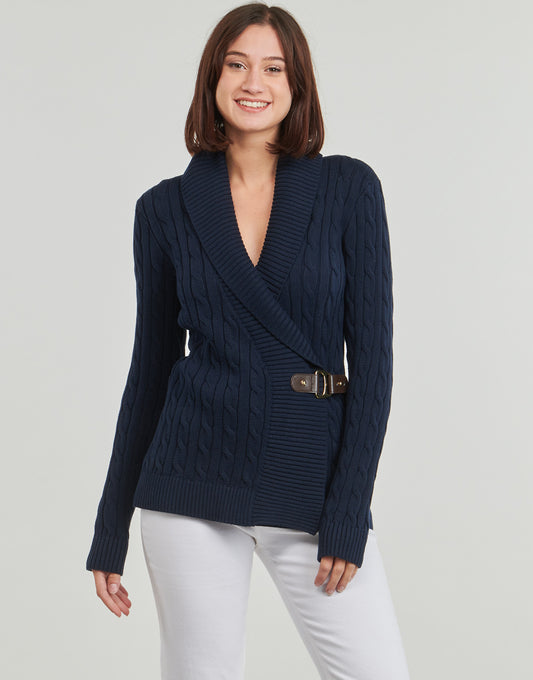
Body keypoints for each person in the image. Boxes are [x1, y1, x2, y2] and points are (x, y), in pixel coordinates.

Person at [86, 3, 411, 679]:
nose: (253, 82)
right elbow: (149, 372)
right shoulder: (164, 209)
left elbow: (374, 367)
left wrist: (348, 510)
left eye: (273, 68)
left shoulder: (348, 188)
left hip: (310, 481)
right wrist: (109, 528)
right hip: (190, 482)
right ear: (212, 78)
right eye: (236, 64)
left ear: (297, 86)